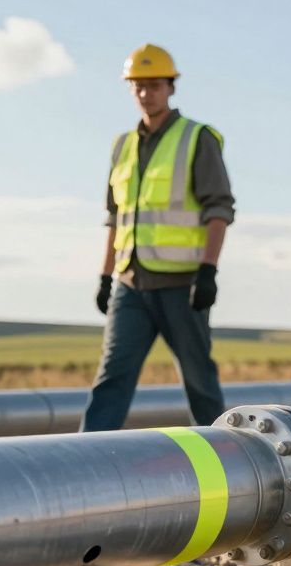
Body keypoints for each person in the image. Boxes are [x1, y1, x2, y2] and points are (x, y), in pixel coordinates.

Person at [80, 44, 234, 432]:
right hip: (130, 284)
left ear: (171, 87)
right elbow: (116, 217)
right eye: (138, 86)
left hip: (182, 286)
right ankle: (88, 463)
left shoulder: (197, 138)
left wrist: (208, 272)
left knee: (200, 383)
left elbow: (219, 209)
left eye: (153, 85)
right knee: (111, 380)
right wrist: (105, 276)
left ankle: (228, 462)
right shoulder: (122, 146)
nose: (146, 93)